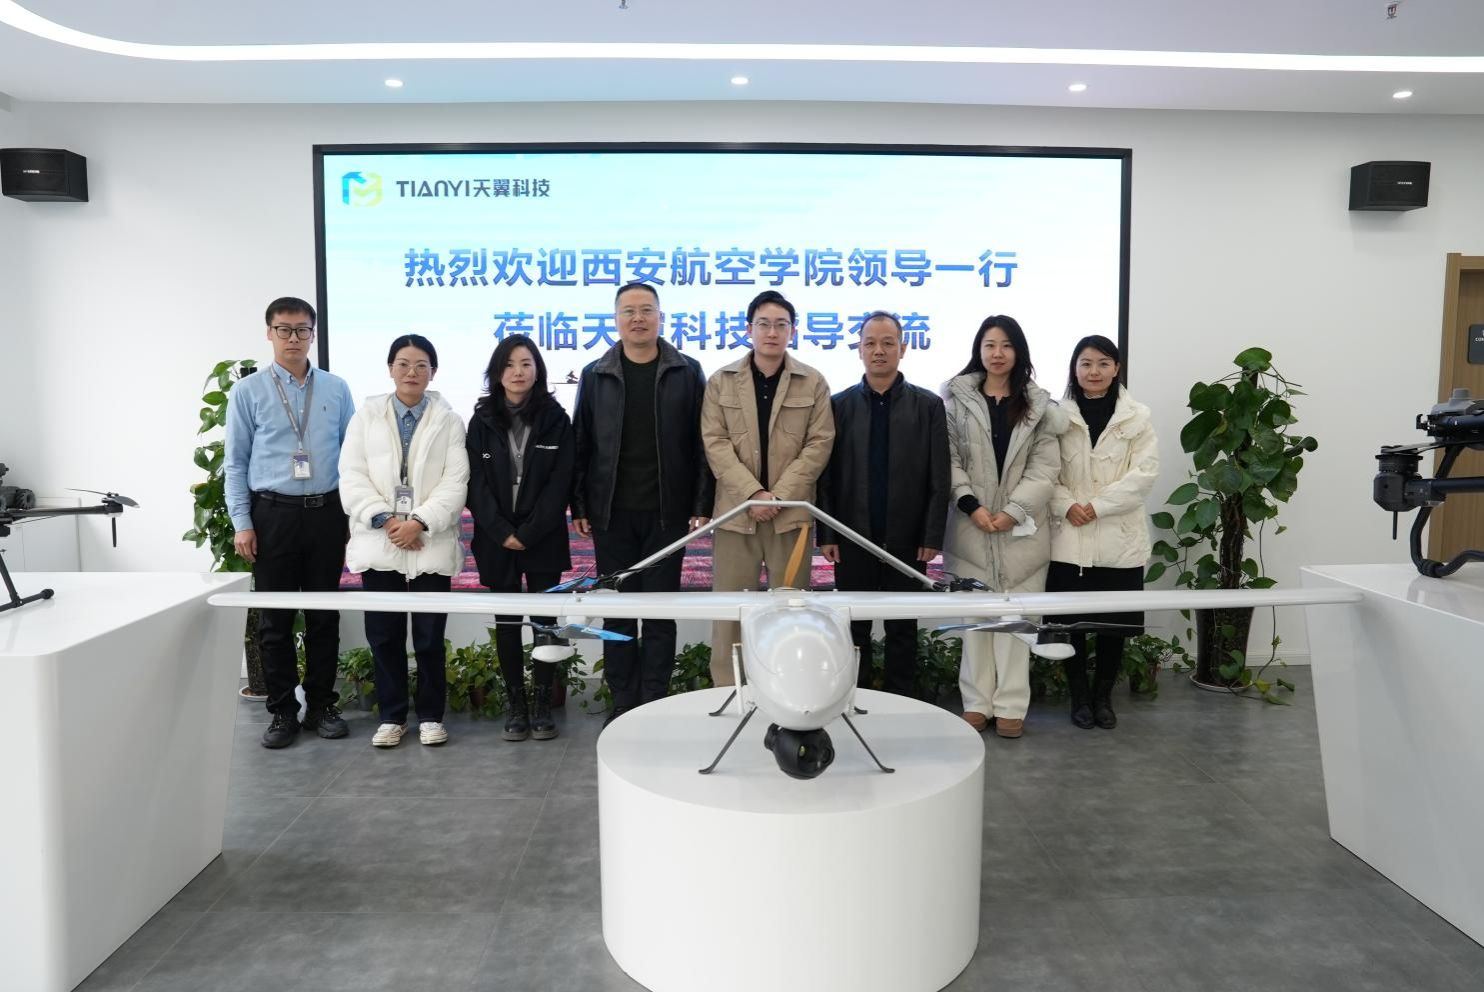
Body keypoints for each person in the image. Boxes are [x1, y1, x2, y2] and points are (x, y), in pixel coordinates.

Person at [572, 282, 713, 723]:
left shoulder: (686, 371)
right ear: (615, 320)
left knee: (659, 613)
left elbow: (702, 444)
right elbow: (582, 444)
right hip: (610, 515)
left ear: (660, 317)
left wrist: (701, 503)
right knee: (617, 613)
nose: (638, 318)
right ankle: (622, 700)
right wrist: (580, 506)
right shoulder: (595, 374)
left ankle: (654, 699)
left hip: (667, 514)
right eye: (629, 311)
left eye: (646, 310)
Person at [225, 296, 356, 749]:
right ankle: (282, 711)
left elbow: (352, 458)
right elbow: (235, 462)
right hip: (273, 514)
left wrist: (352, 516)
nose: (293, 338)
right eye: (284, 329)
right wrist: (242, 522)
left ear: (313, 334)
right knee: (274, 620)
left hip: (326, 513)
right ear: (270, 333)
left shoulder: (336, 389)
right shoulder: (248, 392)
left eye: (302, 329)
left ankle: (321, 705)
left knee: (323, 616)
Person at [339, 334, 470, 748]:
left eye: (421, 365)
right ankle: (392, 717)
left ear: (433, 372)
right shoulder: (366, 417)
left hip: (430, 541)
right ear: (390, 369)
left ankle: (431, 716)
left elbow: (455, 482)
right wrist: (388, 520)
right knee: (384, 636)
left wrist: (419, 522)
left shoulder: (449, 421)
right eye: (403, 364)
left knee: (429, 638)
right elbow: (352, 475)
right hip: (381, 542)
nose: (411, 372)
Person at [701, 289, 835, 686]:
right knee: (730, 616)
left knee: (791, 614)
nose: (772, 332)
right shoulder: (721, 381)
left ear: (792, 331)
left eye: (781, 324)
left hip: (790, 518)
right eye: (763, 324)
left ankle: (788, 692)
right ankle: (728, 693)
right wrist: (753, 495)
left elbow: (819, 444)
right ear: (749, 330)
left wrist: (778, 497)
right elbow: (715, 443)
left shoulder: (813, 382)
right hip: (735, 517)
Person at [943, 315, 1066, 739]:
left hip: (1022, 531)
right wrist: (971, 505)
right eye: (990, 345)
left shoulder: (1039, 407)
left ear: (1019, 352)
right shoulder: (955, 401)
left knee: (1017, 623)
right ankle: (977, 704)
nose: (997, 354)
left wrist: (1013, 510)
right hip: (970, 526)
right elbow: (947, 460)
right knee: (976, 623)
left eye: (1007, 345)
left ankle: (1012, 705)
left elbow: (1046, 469)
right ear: (978, 350)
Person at [817, 311, 950, 697]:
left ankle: (900, 702)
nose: (879, 351)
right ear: (859, 350)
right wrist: (827, 534)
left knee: (902, 627)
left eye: (888, 343)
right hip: (851, 537)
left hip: (908, 539)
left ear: (903, 349)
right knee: (854, 628)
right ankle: (854, 700)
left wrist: (932, 536)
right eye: (870, 343)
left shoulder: (928, 406)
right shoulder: (838, 405)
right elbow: (826, 477)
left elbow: (939, 477)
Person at [1047, 335, 1159, 730]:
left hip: (1118, 538)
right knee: (1070, 627)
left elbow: (1144, 474)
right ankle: (1079, 696)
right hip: (1068, 538)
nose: (1094, 372)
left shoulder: (1137, 417)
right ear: (1074, 369)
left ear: (1116, 368)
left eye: (1103, 363)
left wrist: (1097, 506)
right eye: (1086, 363)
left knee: (1114, 627)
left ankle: (1103, 697)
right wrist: (1066, 504)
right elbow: (1044, 471)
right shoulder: (1056, 417)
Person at [468, 335, 576, 741]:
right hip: (496, 538)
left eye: (526, 364)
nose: (518, 372)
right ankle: (516, 704)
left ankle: (542, 703)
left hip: (542, 537)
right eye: (510, 364)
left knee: (546, 623)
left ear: (537, 371)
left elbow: (561, 481)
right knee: (508, 622)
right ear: (497, 372)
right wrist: (501, 531)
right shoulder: (481, 420)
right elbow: (474, 483)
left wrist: (529, 532)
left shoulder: (556, 418)